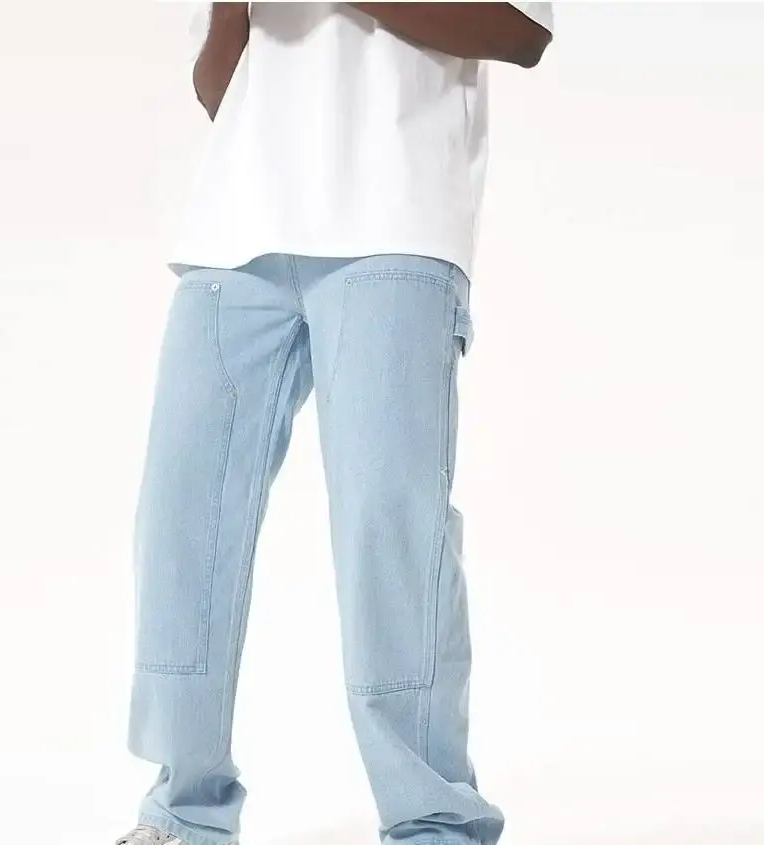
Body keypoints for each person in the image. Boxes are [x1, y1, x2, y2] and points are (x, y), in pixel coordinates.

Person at [117, 4, 553, 845]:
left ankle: (434, 819)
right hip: (235, 231)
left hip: (396, 221)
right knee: (179, 519)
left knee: (389, 525)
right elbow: (218, 89)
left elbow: (519, 32)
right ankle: (184, 811)